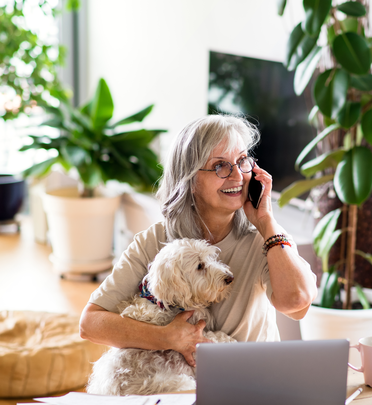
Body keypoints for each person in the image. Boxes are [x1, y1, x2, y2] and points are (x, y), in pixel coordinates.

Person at [79, 114, 317, 367]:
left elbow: (297, 304)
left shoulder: (268, 238)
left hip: (250, 380)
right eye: (220, 166)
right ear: (190, 179)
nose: (237, 176)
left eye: (242, 160)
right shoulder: (155, 240)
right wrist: (167, 337)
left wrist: (267, 222)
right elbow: (91, 324)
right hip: (180, 389)